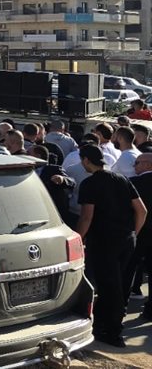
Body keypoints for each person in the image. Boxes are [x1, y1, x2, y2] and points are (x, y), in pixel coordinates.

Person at [76, 144, 148, 347]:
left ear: (86, 160)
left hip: (103, 241)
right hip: (126, 239)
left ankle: (111, 330)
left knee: (109, 287)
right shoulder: (122, 179)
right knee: (119, 285)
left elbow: (86, 217)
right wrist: (133, 233)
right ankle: (104, 326)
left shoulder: (89, 184)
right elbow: (141, 210)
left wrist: (77, 239)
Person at [125, 152, 152, 316]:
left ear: (148, 164)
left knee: (129, 267)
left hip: (138, 231)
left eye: (137, 163)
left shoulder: (133, 183)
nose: (134, 166)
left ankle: (121, 305)